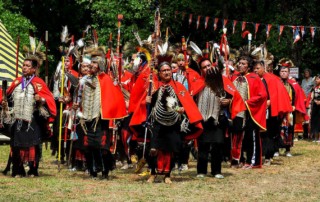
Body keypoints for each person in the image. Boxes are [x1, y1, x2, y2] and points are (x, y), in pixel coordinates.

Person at [142, 60, 203, 183]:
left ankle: (167, 175)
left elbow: (185, 103)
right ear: (159, 73)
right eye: (163, 70)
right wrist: (147, 101)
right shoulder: (154, 86)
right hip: (157, 122)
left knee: (170, 149)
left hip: (173, 122)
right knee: (154, 149)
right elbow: (148, 104)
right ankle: (153, 173)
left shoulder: (178, 87)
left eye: (168, 70)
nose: (166, 72)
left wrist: (182, 109)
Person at [74, 47, 127, 179]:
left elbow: (113, 97)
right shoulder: (83, 80)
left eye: (95, 63)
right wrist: (76, 104)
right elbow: (79, 96)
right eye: (91, 62)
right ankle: (92, 170)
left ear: (100, 65)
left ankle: (105, 170)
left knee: (102, 146)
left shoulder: (106, 80)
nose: (91, 65)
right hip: (86, 118)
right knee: (88, 146)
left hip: (100, 119)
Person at [0, 54, 56, 177]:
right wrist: (4, 101)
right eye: (23, 65)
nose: (24, 68)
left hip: (32, 119)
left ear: (34, 69)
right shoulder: (17, 81)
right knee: (16, 146)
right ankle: (18, 170)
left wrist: (40, 99)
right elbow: (7, 96)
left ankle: (32, 170)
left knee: (32, 145)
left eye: (27, 66)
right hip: (17, 119)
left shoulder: (39, 83)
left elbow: (49, 99)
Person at [196, 58, 245, 178]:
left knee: (217, 145)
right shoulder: (197, 82)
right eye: (204, 67)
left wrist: (228, 101)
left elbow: (235, 97)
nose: (207, 68)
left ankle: (216, 171)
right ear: (201, 70)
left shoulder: (224, 81)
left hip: (218, 117)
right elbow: (191, 99)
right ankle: (201, 171)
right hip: (202, 118)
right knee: (203, 146)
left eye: (209, 66)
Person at [230, 55, 267, 169]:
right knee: (237, 135)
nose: (240, 65)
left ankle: (253, 161)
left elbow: (262, 95)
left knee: (251, 137)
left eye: (244, 64)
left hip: (250, 112)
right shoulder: (234, 77)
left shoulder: (254, 78)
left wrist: (247, 102)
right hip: (237, 111)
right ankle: (238, 159)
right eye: (240, 63)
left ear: (249, 66)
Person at [253, 60, 292, 165]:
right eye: (255, 68)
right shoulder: (252, 79)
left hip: (270, 112)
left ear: (263, 67)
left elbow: (277, 94)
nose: (256, 70)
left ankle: (268, 156)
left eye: (258, 68)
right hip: (257, 111)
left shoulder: (271, 79)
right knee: (259, 134)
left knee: (268, 134)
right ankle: (258, 155)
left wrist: (271, 102)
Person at [277, 64, 306, 157]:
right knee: (277, 129)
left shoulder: (293, 84)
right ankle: (276, 149)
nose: (283, 73)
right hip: (278, 110)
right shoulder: (276, 83)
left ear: (289, 73)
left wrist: (294, 106)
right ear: (279, 73)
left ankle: (287, 149)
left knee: (289, 130)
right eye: (282, 71)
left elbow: (298, 96)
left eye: (285, 71)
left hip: (290, 110)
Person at [301, 68, 314, 139]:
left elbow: (314, 88)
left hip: (309, 101)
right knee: (303, 117)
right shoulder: (303, 81)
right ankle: (304, 134)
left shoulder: (312, 80)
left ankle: (310, 134)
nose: (306, 74)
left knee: (308, 117)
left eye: (307, 73)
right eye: (305, 73)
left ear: (309, 73)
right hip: (303, 100)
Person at [310, 74, 320, 142]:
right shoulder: (314, 87)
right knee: (315, 120)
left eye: (318, 79)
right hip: (315, 105)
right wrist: (314, 101)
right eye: (316, 79)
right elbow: (312, 96)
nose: (316, 80)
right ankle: (316, 137)